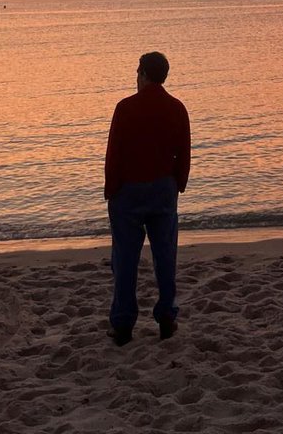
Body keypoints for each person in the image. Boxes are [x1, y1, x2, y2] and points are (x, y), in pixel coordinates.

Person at [104, 51, 191, 346]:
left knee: (125, 259)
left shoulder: (126, 108)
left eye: (137, 72)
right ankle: (166, 317)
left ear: (142, 74)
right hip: (162, 189)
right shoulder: (176, 108)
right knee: (165, 255)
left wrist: (110, 189)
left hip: (129, 190)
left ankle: (123, 324)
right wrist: (179, 182)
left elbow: (114, 152)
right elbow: (184, 151)